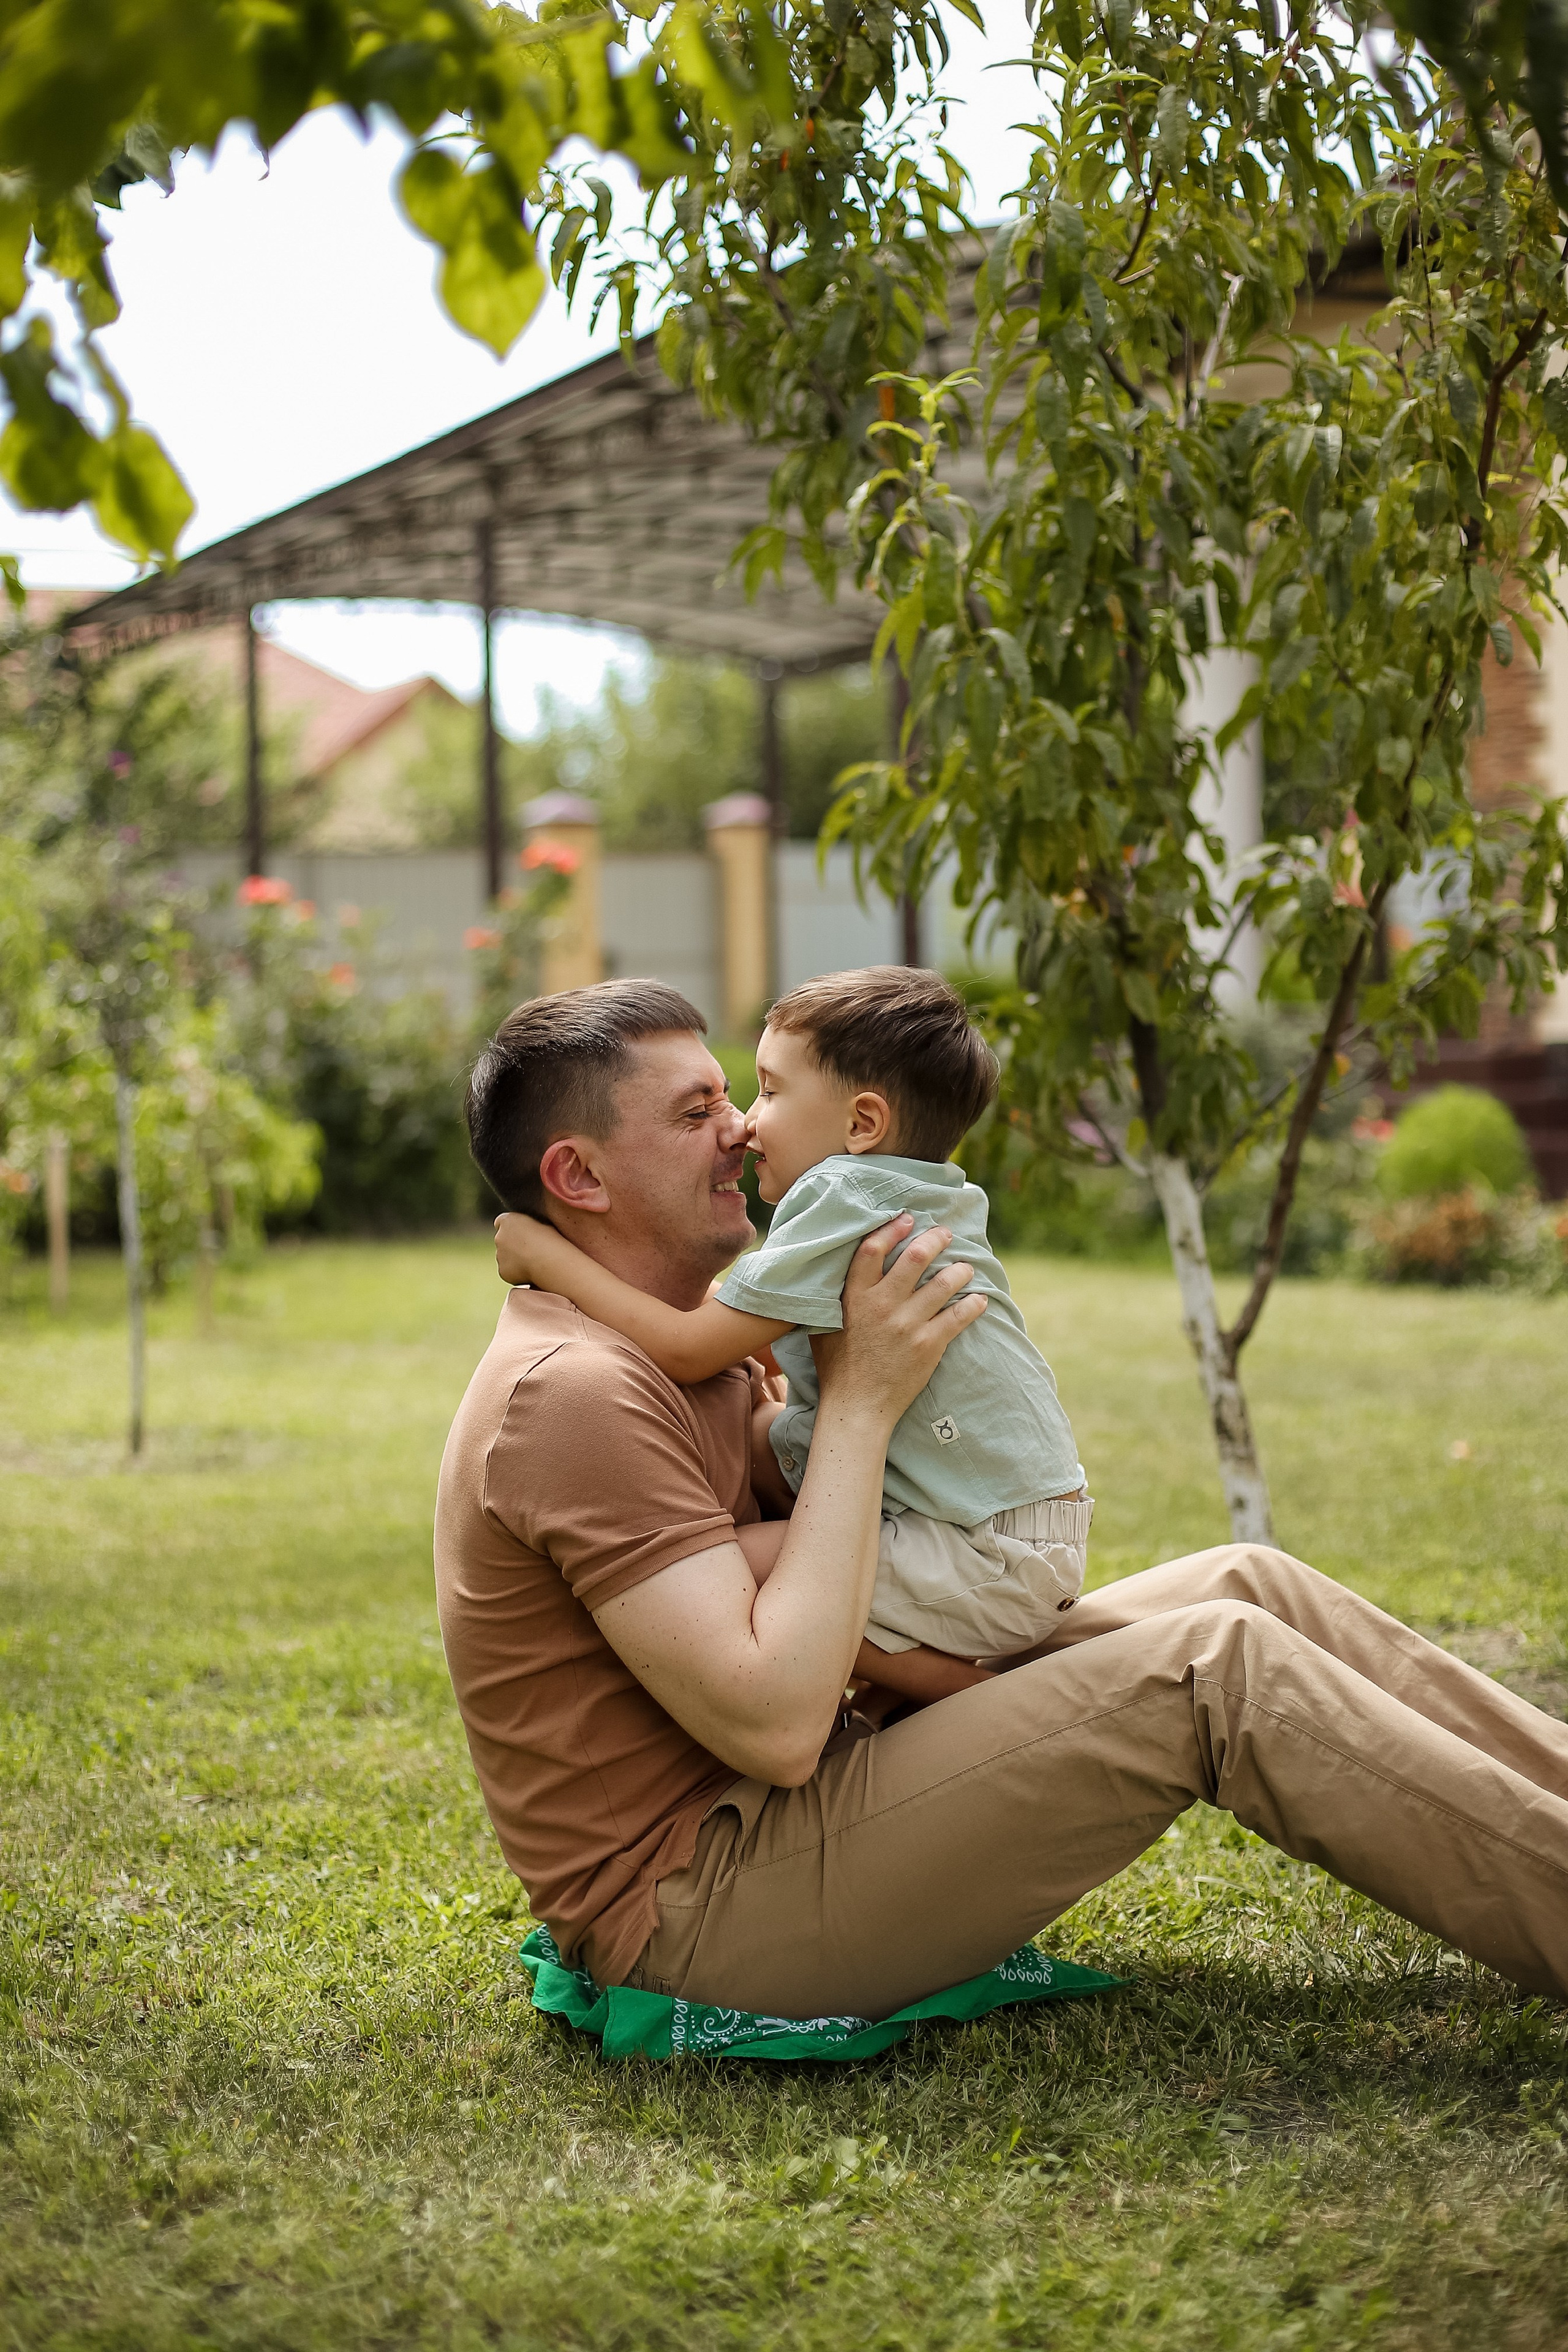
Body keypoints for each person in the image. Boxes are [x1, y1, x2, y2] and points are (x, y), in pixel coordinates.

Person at [434, 978, 1568, 2019]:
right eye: (694, 1115)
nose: (739, 1129)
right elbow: (776, 1724)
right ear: (577, 1176)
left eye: (740, 1096)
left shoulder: (719, 1344)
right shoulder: (573, 1394)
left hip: (832, 1777)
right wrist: (870, 1402)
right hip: (707, 1905)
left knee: (1247, 1584)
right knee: (1211, 1667)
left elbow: (839, 1583)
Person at [491, 967, 1091, 1691]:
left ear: (862, 1125)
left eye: (767, 1091)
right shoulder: (910, 1192)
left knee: (734, 1570)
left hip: (980, 1548)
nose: (744, 1122)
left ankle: (989, 1698)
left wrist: (545, 1255)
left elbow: (687, 1349)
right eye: (700, 1109)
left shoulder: (841, 1192)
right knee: (763, 1447)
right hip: (1018, 1524)